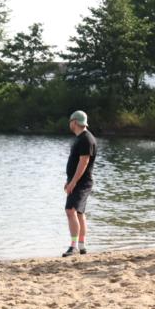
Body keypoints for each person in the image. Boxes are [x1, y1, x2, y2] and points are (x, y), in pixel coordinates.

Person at [63, 110, 96, 256]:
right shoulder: (81, 138)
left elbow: (84, 162)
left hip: (82, 183)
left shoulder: (86, 139)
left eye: (70, 121)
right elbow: (76, 162)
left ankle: (74, 246)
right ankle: (81, 246)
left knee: (71, 210)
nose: (69, 124)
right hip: (78, 181)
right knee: (79, 212)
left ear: (75, 122)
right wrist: (68, 180)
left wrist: (73, 182)